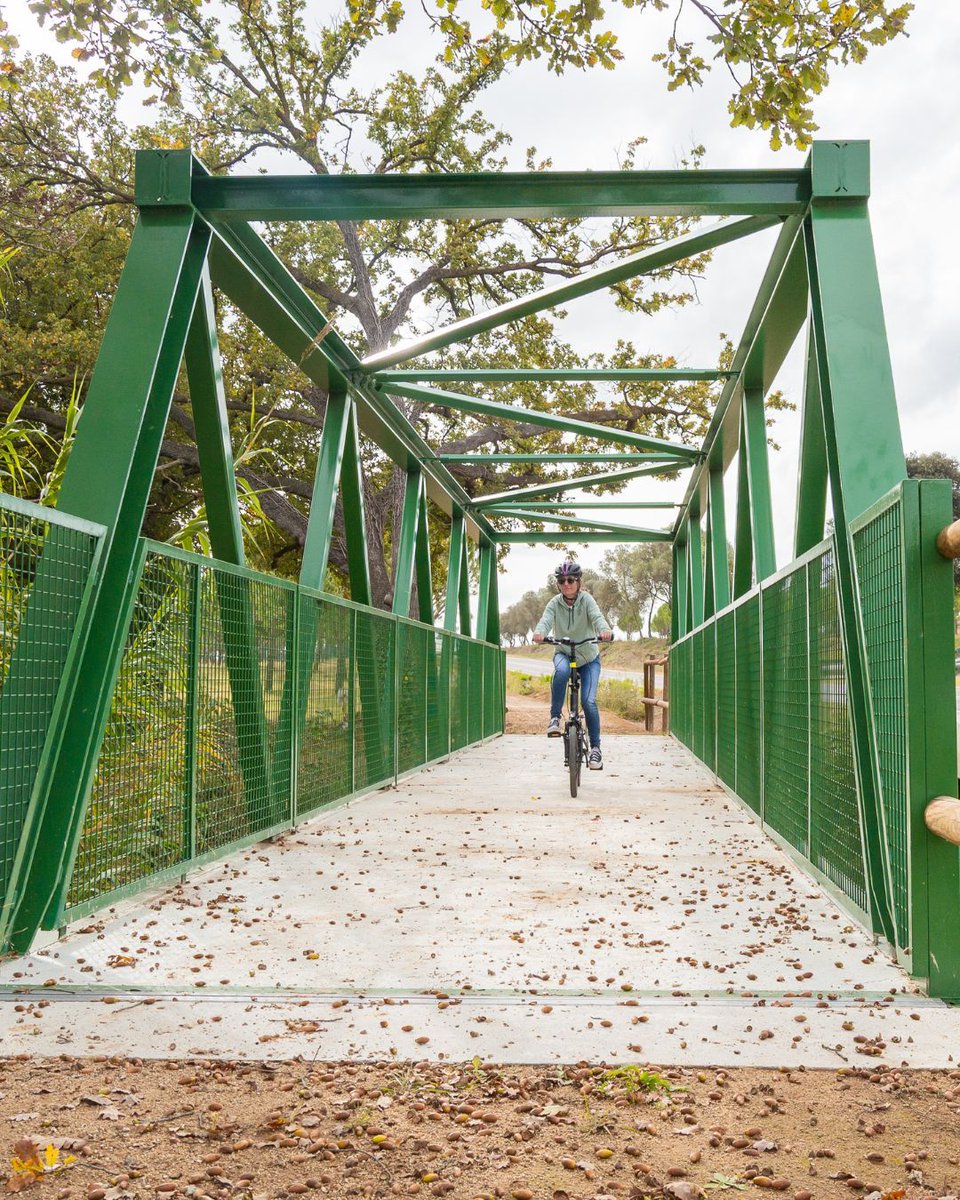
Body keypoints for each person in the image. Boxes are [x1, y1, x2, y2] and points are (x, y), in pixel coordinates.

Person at [532, 560, 613, 770]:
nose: (566, 584)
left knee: (588, 701)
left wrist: (605, 630)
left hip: (588, 658)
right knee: (561, 671)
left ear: (579, 582)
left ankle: (595, 749)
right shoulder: (554, 603)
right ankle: (554, 718)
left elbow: (597, 617)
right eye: (562, 581)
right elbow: (546, 620)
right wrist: (540, 633)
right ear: (558, 584)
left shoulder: (587, 600)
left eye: (571, 580)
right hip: (564, 653)